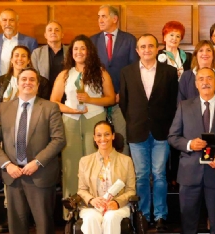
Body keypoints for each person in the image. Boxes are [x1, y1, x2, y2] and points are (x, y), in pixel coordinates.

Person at [0, 67, 66, 234]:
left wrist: (37, 162)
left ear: (38, 85)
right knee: (16, 226)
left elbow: (59, 140)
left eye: (32, 80)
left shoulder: (50, 107)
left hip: (40, 174)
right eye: (24, 79)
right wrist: (7, 165)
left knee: (44, 225)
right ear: (17, 83)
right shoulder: (3, 108)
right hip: (13, 175)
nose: (27, 82)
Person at [51, 35, 117, 220]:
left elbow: (111, 98)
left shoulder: (100, 72)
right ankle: (72, 212)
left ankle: (96, 209)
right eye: (75, 49)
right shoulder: (65, 74)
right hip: (70, 122)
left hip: (94, 121)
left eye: (82, 48)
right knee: (70, 165)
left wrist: (90, 99)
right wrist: (71, 110)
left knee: (95, 164)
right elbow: (54, 101)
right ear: (71, 53)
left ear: (89, 51)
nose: (79, 52)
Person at [118, 34, 179, 231]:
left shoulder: (169, 72)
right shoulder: (126, 72)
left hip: (162, 130)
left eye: (150, 46)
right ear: (137, 50)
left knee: (160, 174)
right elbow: (124, 102)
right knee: (141, 175)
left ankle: (160, 216)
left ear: (157, 48)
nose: (147, 50)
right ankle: (142, 216)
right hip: (137, 130)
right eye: (143, 47)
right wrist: (135, 121)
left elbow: (173, 103)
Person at [168, 68, 215, 234]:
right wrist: (189, 144)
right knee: (188, 225)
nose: (205, 82)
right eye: (201, 79)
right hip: (189, 174)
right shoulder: (184, 106)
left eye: (209, 78)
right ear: (196, 84)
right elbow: (172, 137)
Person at [77, 121, 137, 234]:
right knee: (91, 218)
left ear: (113, 136)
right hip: (93, 207)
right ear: (94, 138)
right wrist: (92, 200)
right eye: (99, 135)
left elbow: (131, 190)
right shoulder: (85, 161)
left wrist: (117, 202)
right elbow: (82, 189)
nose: (103, 138)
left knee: (110, 217)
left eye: (107, 134)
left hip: (118, 207)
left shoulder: (126, 161)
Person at [90, 4, 134, 155]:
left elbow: (133, 71)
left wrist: (123, 93)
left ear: (115, 19)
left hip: (121, 101)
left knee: (122, 139)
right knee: (99, 141)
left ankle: (122, 169)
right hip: (98, 101)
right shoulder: (92, 41)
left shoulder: (129, 39)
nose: (100, 20)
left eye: (104, 16)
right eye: (98, 17)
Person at [0, 46, 52, 114]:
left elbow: (45, 108)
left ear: (28, 60)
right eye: (16, 55)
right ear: (11, 60)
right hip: (5, 117)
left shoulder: (42, 82)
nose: (20, 59)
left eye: (23, 56)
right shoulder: (0, 81)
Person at [0, 8, 39, 86]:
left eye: (11, 20)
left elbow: (33, 67)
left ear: (17, 23)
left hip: (23, 85)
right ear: (0, 22)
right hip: (0, 86)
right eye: (4, 20)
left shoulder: (30, 42)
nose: (8, 24)